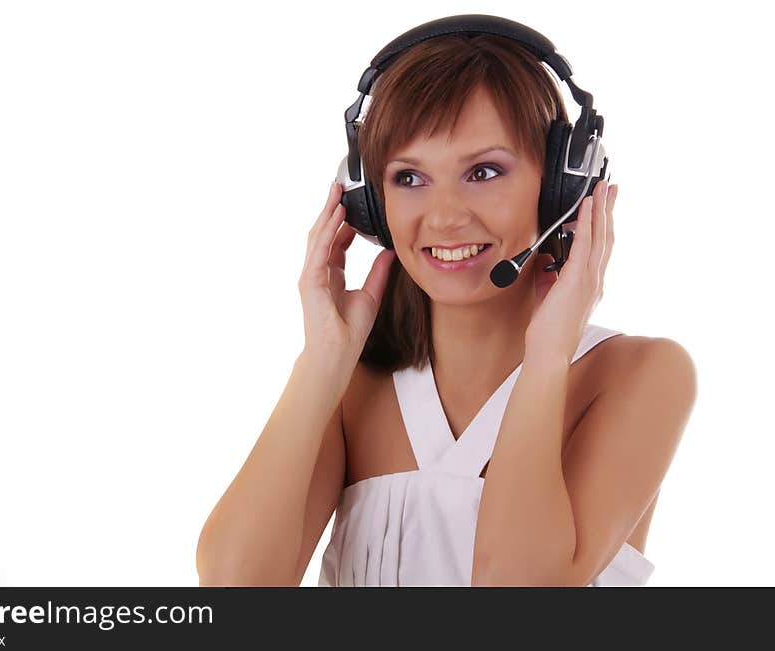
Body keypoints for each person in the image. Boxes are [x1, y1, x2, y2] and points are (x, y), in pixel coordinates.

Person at [196, 29, 697, 587]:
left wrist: (549, 353)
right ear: (371, 206)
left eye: (483, 172)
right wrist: (322, 359)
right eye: (409, 178)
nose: (442, 218)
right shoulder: (351, 389)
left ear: (563, 185)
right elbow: (233, 588)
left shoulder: (640, 375)